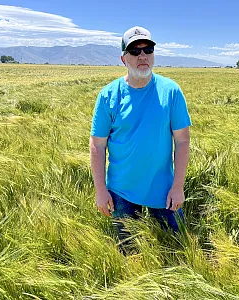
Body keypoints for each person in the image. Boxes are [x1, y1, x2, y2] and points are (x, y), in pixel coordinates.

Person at [90, 26, 191, 252]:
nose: (142, 56)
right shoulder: (108, 96)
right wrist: (100, 189)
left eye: (148, 49)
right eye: (134, 51)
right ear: (123, 58)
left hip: (164, 191)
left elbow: (182, 141)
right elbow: (97, 144)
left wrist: (178, 187)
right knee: (129, 252)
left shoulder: (171, 91)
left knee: (177, 249)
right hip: (121, 191)